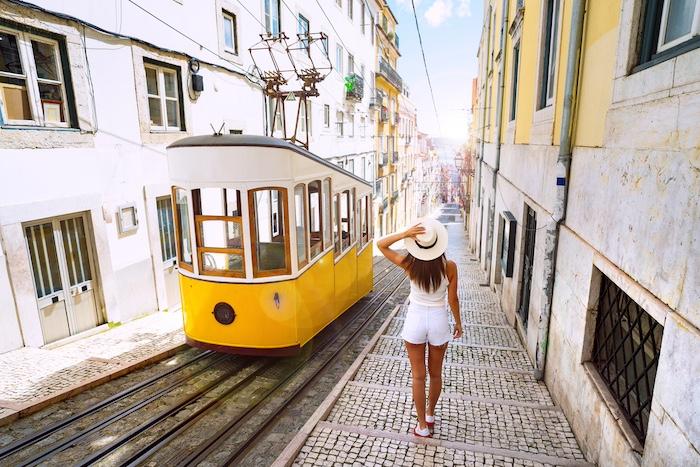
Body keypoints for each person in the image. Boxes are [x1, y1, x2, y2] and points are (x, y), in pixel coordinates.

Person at [377, 218, 462, 438]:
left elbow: (381, 245)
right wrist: (458, 323)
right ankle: (431, 415)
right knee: (435, 374)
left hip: (415, 321)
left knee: (418, 376)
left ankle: (422, 426)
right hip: (439, 322)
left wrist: (405, 233)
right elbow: (453, 299)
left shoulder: (410, 264)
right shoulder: (450, 267)